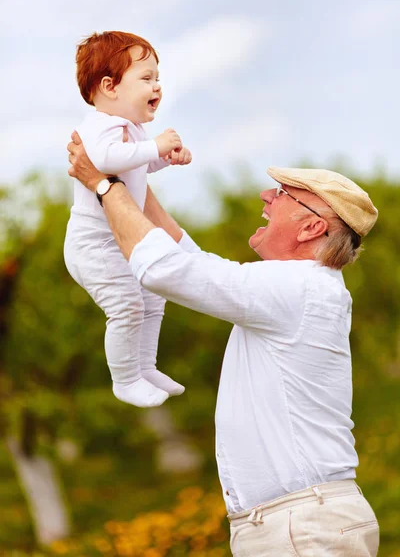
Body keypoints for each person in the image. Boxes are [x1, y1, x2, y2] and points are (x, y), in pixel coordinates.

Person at [67, 133, 380, 557]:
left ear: (312, 226)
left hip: (302, 525)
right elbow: (191, 261)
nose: (267, 196)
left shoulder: (299, 286)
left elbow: (165, 268)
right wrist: (134, 177)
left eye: (284, 194)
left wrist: (104, 186)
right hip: (301, 521)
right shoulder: (299, 288)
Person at [64, 31, 192, 408]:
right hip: (94, 247)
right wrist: (154, 147)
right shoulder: (99, 125)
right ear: (109, 86)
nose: (158, 86)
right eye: (147, 78)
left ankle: (145, 367)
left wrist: (165, 156)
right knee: (126, 305)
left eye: (158, 78)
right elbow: (102, 161)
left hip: (118, 242)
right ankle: (124, 379)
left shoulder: (132, 129)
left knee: (152, 295)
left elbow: (139, 162)